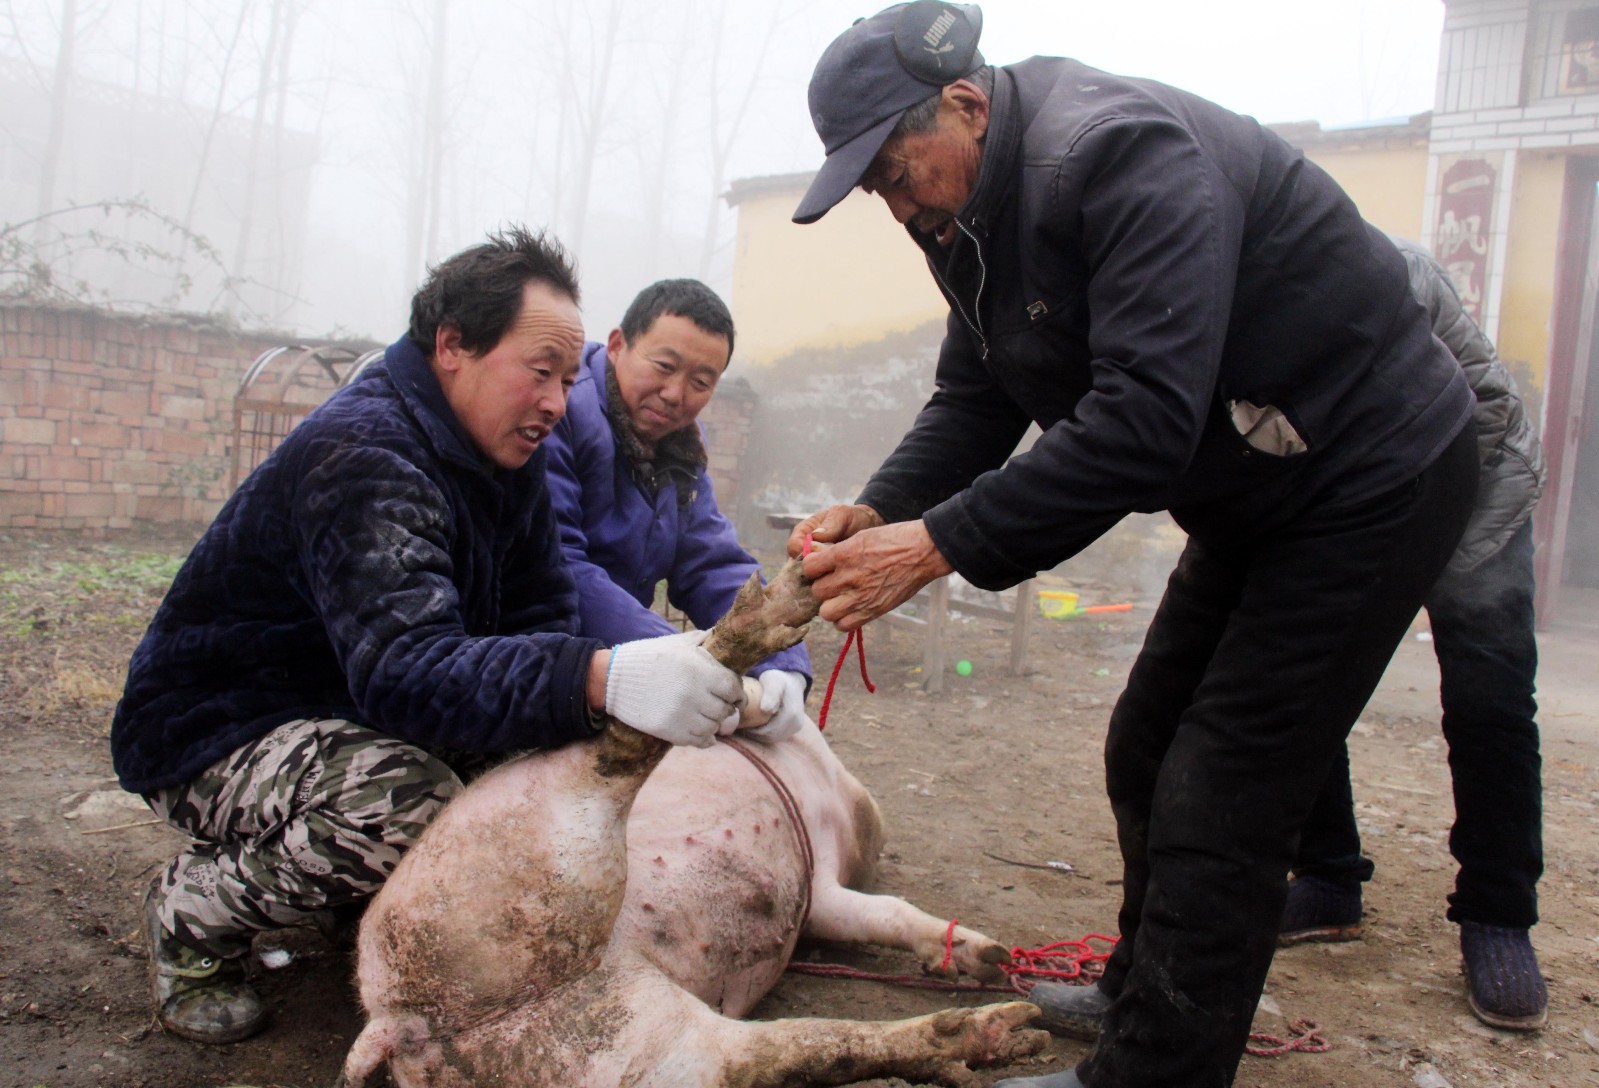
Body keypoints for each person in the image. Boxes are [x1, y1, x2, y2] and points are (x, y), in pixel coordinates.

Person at [787, 4, 1478, 1086]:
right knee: (1148, 741)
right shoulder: (960, 216)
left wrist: (939, 544)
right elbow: (975, 400)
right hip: (1260, 482)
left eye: (893, 168)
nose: (894, 201)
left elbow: (1146, 419)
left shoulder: (1116, 155)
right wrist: (880, 510)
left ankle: (1154, 1070)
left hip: (1369, 476)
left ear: (965, 105)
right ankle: (1141, 986)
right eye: (872, 185)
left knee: (1224, 781)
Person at [110, 227, 747, 1045]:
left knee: (540, 769)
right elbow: (406, 673)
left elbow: (540, 616)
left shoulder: (502, 455)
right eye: (539, 372)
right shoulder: (367, 454)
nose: (557, 400)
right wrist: (602, 676)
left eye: (564, 377)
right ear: (453, 346)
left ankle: (355, 895)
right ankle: (192, 912)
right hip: (221, 723)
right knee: (401, 804)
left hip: (337, 704)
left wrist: (605, 695)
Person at [1284, 236, 1548, 1030]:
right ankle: (1327, 878)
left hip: (1478, 500)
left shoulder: (1384, 273)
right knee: (1302, 677)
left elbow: (1491, 416)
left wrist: (1443, 568)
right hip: (1354, 508)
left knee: (1490, 705)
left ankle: (1496, 919)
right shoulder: (1228, 296)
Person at [542, 279, 811, 737]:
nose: (675, 393)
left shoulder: (679, 445)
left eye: (700, 382)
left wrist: (777, 660)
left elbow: (710, 562)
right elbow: (561, 566)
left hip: (628, 658)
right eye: (664, 366)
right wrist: (680, 661)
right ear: (617, 345)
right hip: (546, 663)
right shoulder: (557, 412)